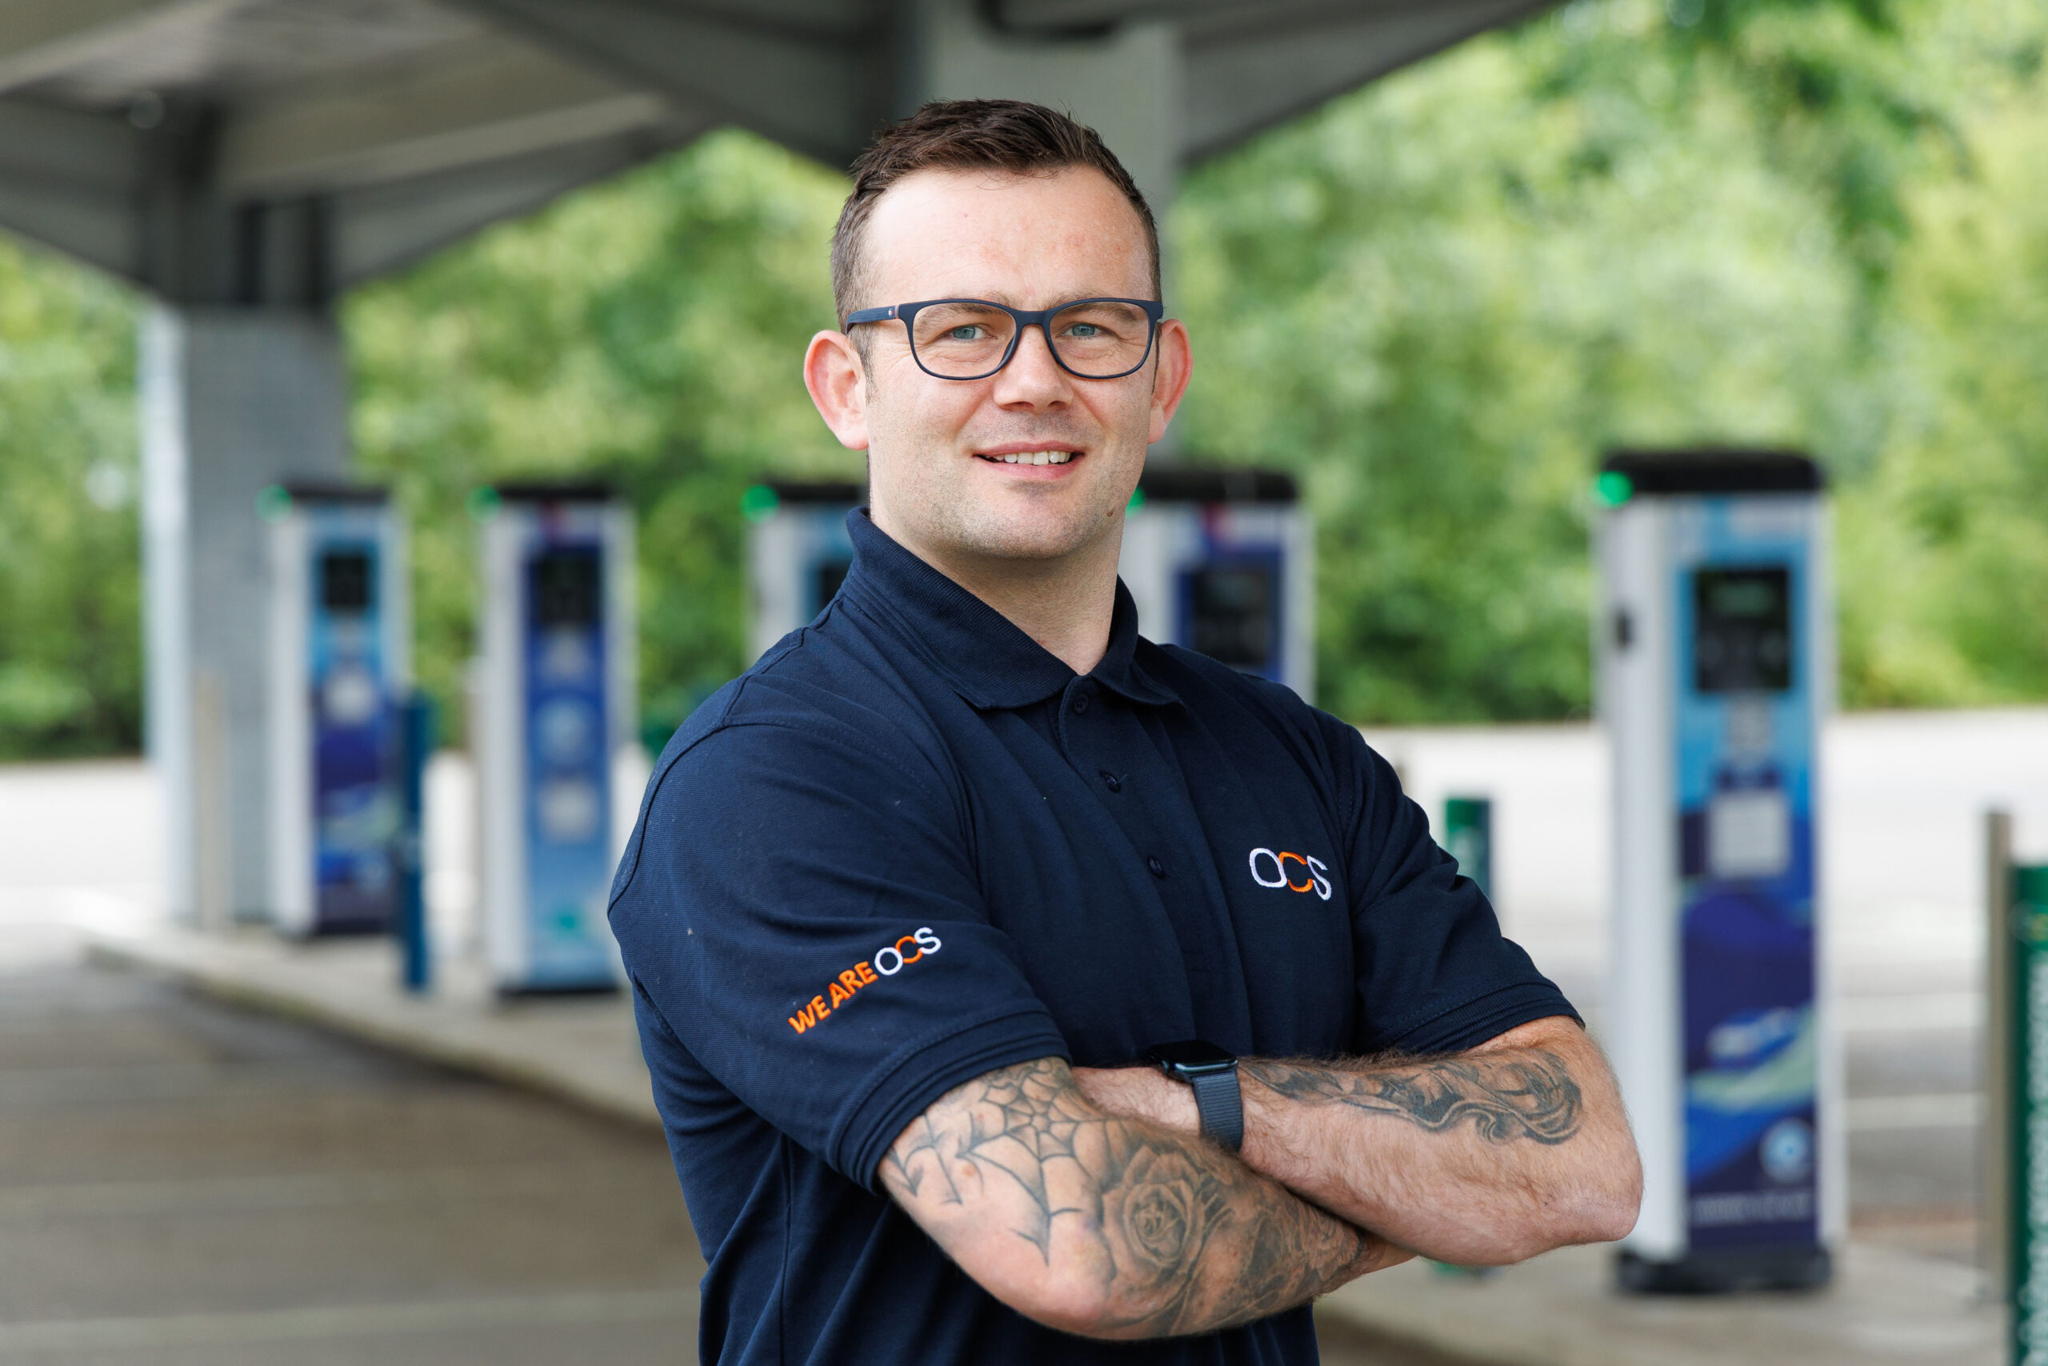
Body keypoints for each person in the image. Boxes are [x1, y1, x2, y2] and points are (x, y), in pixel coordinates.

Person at [607, 99, 1641, 1365]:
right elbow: (1082, 1248)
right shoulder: (772, 778)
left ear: (1161, 381)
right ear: (846, 387)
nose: (1032, 379)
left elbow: (1584, 1161)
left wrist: (1179, 1104)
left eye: (1090, 328)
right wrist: (1415, 1198)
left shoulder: (1292, 759)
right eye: (962, 331)